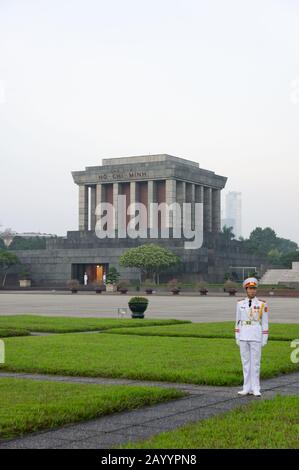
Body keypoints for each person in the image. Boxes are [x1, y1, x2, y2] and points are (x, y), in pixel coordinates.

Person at [235, 277, 269, 397]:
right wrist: (237, 336)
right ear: (246, 289)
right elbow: (237, 321)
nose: (252, 291)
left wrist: (264, 338)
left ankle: (256, 388)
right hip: (243, 334)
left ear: (256, 290)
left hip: (255, 335)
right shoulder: (240, 304)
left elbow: (264, 322)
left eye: (254, 288)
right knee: (245, 363)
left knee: (255, 363)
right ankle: (246, 387)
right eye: (250, 288)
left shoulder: (262, 304)